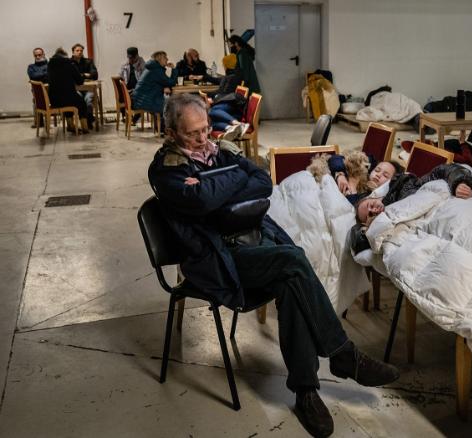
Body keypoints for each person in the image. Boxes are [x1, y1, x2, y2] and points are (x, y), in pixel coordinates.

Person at [148, 94, 399, 437]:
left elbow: (262, 179)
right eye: (193, 134)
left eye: (207, 129)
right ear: (173, 132)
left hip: (253, 240)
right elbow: (205, 199)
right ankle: (343, 354)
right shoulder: (166, 168)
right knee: (293, 261)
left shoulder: (221, 151)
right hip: (216, 257)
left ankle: (306, 392)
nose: (204, 139)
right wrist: (231, 181)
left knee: (290, 279)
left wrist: (215, 183)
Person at [355, 163, 472, 226]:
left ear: (372, 198)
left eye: (369, 205)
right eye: (369, 215)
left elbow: (442, 170)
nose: (373, 210)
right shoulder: (385, 222)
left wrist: (459, 181)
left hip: (456, 202)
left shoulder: (405, 185)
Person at [47, 47, 92, 132]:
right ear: (65, 56)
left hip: (54, 100)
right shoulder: (69, 64)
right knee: (81, 103)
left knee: (69, 101)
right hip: (69, 98)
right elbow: (79, 81)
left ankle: (70, 126)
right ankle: (85, 128)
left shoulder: (49, 65)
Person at [133, 51, 179, 130]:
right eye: (165, 57)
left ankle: (161, 128)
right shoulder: (157, 70)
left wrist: (163, 87)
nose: (167, 59)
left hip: (141, 98)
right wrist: (174, 69)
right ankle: (164, 129)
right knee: (171, 103)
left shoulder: (152, 68)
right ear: (160, 59)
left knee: (167, 101)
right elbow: (171, 82)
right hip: (145, 100)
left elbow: (158, 83)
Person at [71, 43, 98, 128]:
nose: (79, 52)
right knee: (80, 99)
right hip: (75, 89)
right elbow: (70, 76)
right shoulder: (69, 63)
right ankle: (88, 119)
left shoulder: (88, 61)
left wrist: (80, 75)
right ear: (73, 52)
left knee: (88, 99)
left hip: (88, 88)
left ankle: (88, 120)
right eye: (77, 50)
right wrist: (85, 75)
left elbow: (95, 75)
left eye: (81, 51)